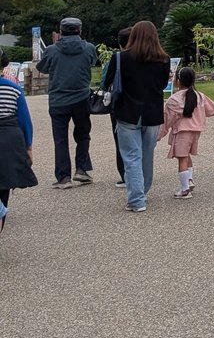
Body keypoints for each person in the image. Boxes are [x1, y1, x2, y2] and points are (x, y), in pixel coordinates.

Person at [112, 20, 172, 213]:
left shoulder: (122, 57)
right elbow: (163, 85)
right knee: (147, 155)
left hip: (128, 111)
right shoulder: (164, 59)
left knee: (131, 156)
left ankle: (137, 199)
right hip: (152, 111)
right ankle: (142, 191)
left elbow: (108, 82)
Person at [36, 16, 99, 188]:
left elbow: (41, 68)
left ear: (61, 31)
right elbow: (93, 62)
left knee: (60, 139)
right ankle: (82, 169)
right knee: (83, 134)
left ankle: (63, 177)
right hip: (81, 98)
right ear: (79, 30)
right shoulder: (89, 48)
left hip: (58, 99)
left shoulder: (51, 50)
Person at [160, 67, 214, 198]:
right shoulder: (200, 96)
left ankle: (185, 190)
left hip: (182, 132)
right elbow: (213, 110)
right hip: (195, 132)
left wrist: (158, 136)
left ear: (178, 81)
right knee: (186, 156)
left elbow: (166, 121)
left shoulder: (174, 99)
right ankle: (189, 180)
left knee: (182, 158)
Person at [0, 55, 38, 232]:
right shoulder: (13, 88)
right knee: (3, 189)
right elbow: (24, 121)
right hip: (9, 139)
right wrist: (28, 146)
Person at [101, 28, 131, 186]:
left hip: (120, 104)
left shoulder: (118, 58)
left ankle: (126, 175)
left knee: (122, 142)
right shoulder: (148, 55)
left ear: (120, 42)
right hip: (145, 106)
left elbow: (106, 82)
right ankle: (140, 174)